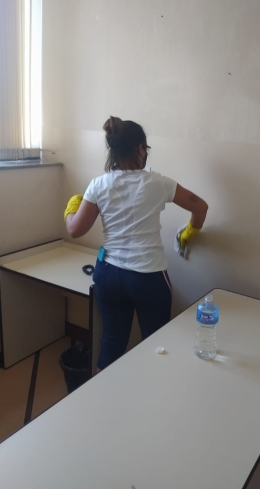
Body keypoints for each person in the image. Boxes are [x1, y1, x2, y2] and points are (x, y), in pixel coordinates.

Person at [64, 116, 208, 371]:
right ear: (140, 148)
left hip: (109, 275)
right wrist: (190, 231)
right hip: (148, 278)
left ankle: (105, 393)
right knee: (157, 345)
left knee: (111, 341)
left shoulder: (98, 185)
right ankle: (151, 393)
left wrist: (71, 208)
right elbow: (201, 207)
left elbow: (75, 229)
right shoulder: (158, 183)